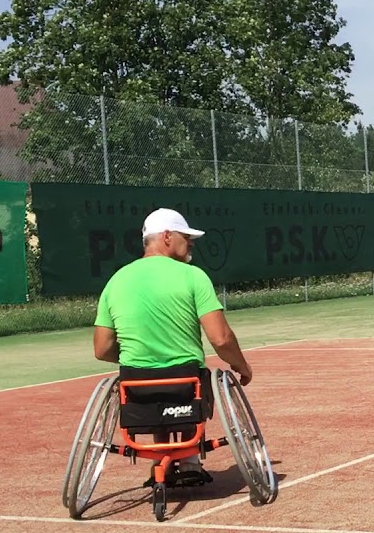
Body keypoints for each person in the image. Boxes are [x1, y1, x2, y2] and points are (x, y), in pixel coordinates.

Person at [92, 207, 253, 485]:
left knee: (152, 385)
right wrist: (242, 366)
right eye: (186, 236)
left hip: (136, 388)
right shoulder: (193, 276)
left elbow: (102, 349)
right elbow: (221, 339)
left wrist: (141, 353)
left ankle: (159, 461)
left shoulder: (116, 281)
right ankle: (190, 460)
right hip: (186, 385)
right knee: (194, 377)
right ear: (166, 236)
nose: (191, 243)